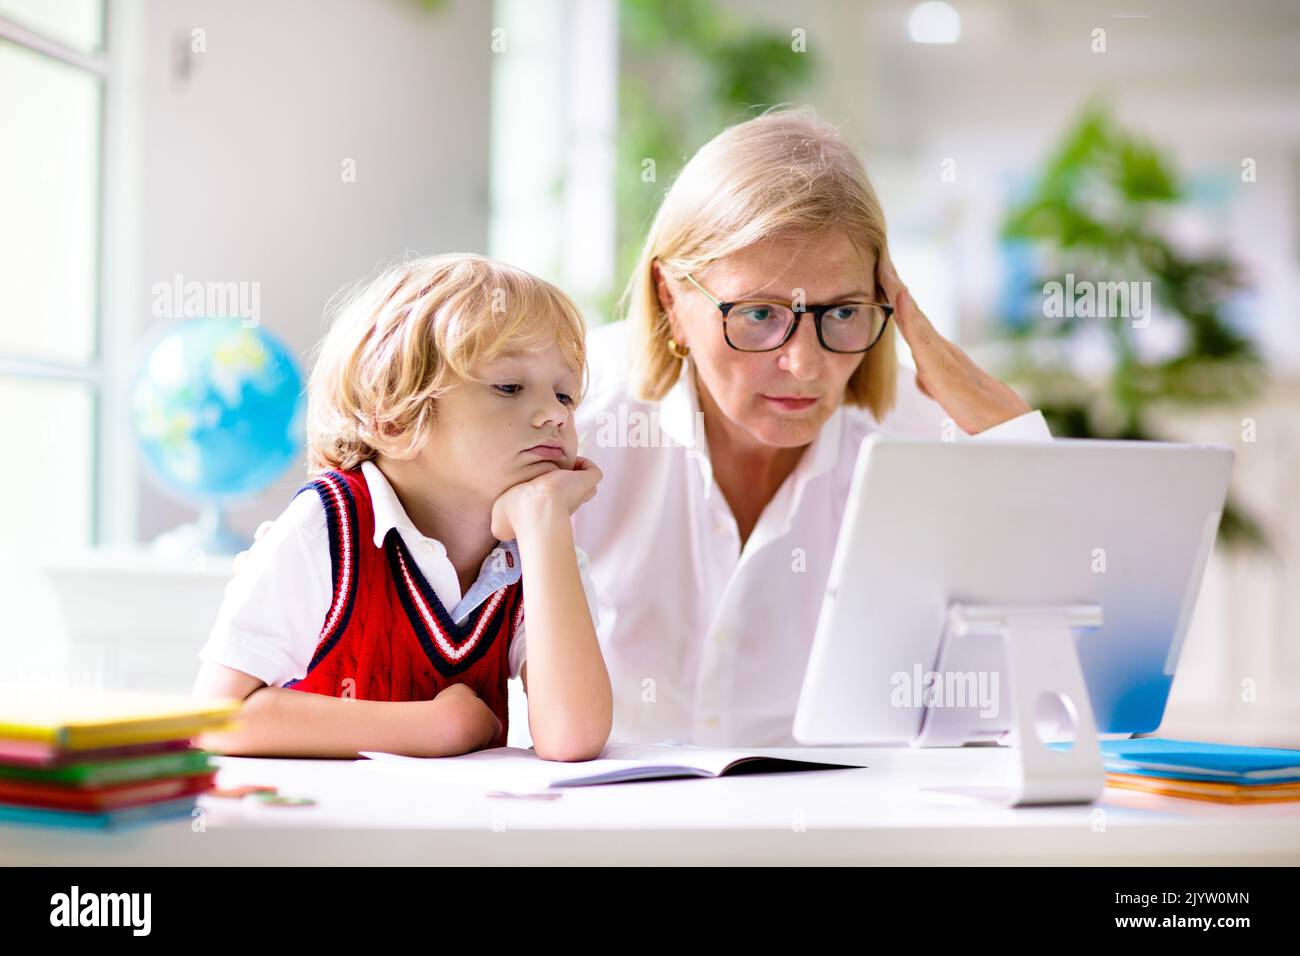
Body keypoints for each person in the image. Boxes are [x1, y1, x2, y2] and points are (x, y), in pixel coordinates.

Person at [572, 110, 1052, 747]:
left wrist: (1007, 433)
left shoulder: (920, 436)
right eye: (760, 313)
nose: (802, 364)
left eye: (843, 312)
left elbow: (1048, 705)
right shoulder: (574, 418)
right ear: (670, 298)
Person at [192, 253, 611, 761]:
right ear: (395, 419)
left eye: (565, 395)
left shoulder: (538, 550)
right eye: (509, 386)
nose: (553, 415)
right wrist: (433, 729)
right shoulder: (327, 525)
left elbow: (573, 738)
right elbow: (214, 719)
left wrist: (545, 523)